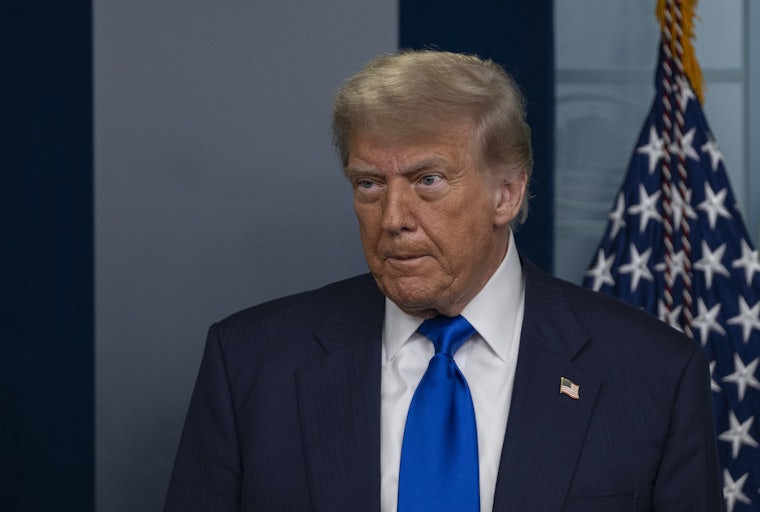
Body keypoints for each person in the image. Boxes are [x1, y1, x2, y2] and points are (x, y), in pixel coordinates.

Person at [164, 50, 722, 511]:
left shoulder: (655, 375)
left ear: (507, 192)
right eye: (368, 185)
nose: (393, 217)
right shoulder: (249, 364)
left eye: (427, 179)